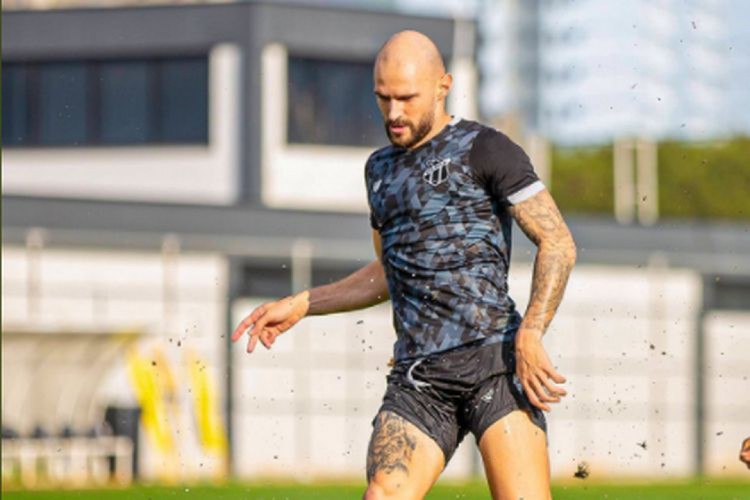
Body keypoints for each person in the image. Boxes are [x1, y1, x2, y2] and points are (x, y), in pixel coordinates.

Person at [232, 30, 576, 500]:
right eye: (383, 98)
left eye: (407, 98)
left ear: (443, 85)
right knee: (383, 495)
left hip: (495, 363)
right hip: (420, 378)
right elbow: (388, 272)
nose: (394, 113)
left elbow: (557, 242)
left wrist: (532, 332)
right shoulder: (380, 171)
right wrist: (304, 303)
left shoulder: (487, 149)